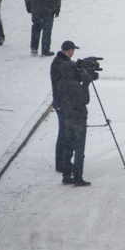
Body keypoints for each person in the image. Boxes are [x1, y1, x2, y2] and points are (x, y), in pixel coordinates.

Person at [56, 58, 93, 186]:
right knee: (79, 150)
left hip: (67, 118)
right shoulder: (75, 85)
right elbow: (85, 100)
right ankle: (78, 177)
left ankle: (66, 175)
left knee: (68, 148)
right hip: (79, 118)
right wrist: (86, 84)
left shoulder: (60, 83)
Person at [51, 40, 78, 181]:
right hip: (61, 102)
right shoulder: (61, 64)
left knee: (63, 132)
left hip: (60, 101)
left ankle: (61, 162)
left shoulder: (58, 61)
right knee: (64, 133)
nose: (73, 53)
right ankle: (61, 163)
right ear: (69, 50)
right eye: (73, 50)